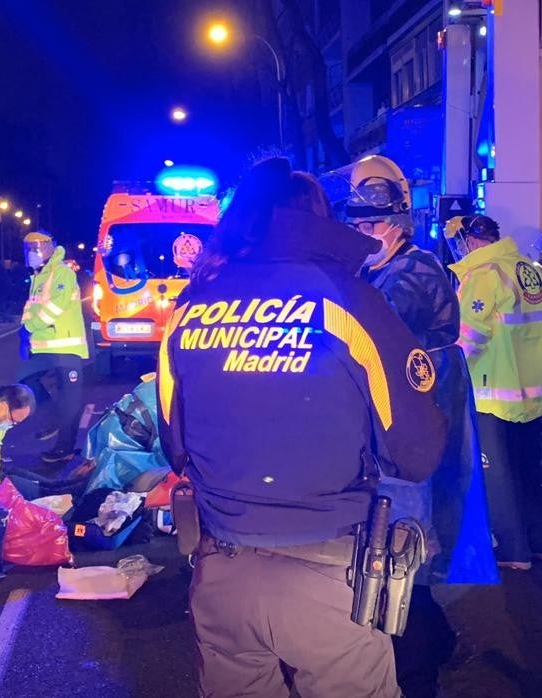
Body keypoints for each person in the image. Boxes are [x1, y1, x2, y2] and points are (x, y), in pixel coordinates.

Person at [159, 157, 446, 697]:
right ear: (317, 220)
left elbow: (174, 444)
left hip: (221, 574)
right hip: (330, 576)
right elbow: (417, 451)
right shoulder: (347, 300)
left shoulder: (190, 307)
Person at [333, 155, 497, 698]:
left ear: (400, 219)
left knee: (405, 543)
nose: (365, 231)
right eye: (357, 223)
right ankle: (431, 643)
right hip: (389, 418)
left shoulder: (417, 269)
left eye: (373, 222)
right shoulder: (373, 268)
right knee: (395, 542)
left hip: (416, 416)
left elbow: (376, 330)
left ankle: (418, 665)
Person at [450, 214, 542, 571]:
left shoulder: (483, 276)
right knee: (529, 472)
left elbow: (467, 340)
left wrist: (448, 381)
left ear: (470, 241)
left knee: (497, 478)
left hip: (491, 397)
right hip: (533, 396)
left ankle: (512, 552)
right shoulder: (533, 272)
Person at [18, 231, 89, 464]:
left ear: (51, 248)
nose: (32, 253)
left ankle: (64, 448)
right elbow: (34, 308)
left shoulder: (62, 273)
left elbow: (53, 309)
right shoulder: (39, 276)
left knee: (70, 402)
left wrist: (29, 327)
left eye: (37, 247)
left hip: (66, 348)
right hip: (44, 347)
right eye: (29, 248)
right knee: (26, 380)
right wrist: (26, 335)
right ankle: (52, 418)